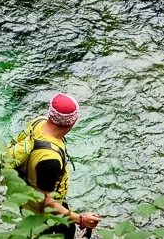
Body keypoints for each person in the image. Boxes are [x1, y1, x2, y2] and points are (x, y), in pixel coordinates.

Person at [6, 93, 100, 236]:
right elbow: (46, 202)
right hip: (41, 216)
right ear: (72, 122)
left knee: (68, 228)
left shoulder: (39, 122)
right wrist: (81, 219)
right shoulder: (50, 161)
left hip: (28, 196)